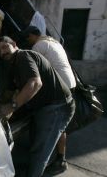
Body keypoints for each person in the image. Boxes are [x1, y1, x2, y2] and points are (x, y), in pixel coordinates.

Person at [0, 36, 75, 177]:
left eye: (4, 47)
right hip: (42, 106)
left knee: (40, 150)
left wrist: (12, 106)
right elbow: (8, 92)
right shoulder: (11, 65)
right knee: (36, 143)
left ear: (14, 44)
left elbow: (35, 83)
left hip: (57, 106)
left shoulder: (23, 55)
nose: (2, 52)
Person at [23, 25, 76, 174]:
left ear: (33, 35)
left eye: (28, 38)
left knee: (49, 126)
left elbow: (31, 72)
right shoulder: (54, 42)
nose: (28, 42)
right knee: (61, 127)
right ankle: (61, 158)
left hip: (60, 86)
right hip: (70, 84)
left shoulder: (38, 45)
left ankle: (39, 161)